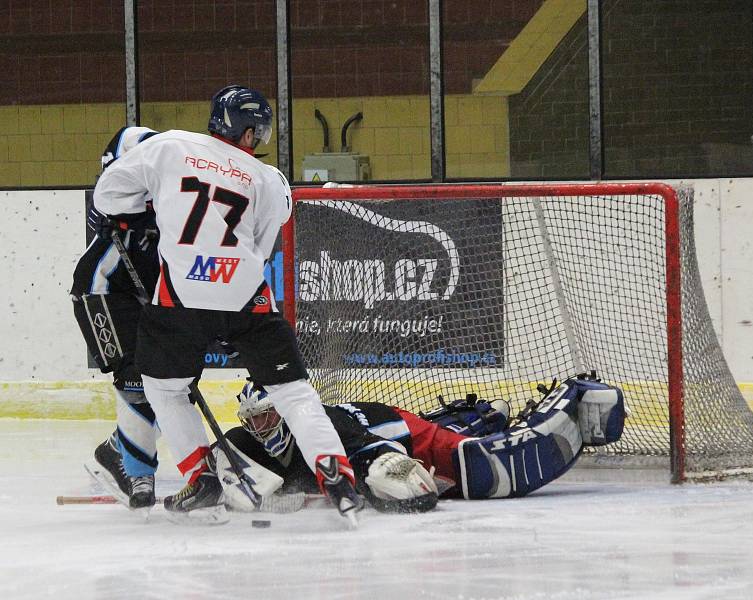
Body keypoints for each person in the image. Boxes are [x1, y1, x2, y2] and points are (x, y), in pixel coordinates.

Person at [91, 85, 362, 521]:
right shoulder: (267, 178)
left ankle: (200, 479)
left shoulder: (169, 145)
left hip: (182, 297)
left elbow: (107, 194)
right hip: (245, 295)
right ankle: (338, 477)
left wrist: (149, 209)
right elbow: (263, 238)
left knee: (163, 387)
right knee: (293, 392)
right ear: (250, 133)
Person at [223, 372, 626, 509]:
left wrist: (383, 484)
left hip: (402, 433)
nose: (260, 427)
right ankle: (476, 418)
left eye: (267, 415)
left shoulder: (323, 427)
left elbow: (390, 458)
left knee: (479, 467)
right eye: (253, 419)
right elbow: (229, 467)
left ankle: (571, 397)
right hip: (376, 419)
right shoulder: (247, 439)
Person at [70, 126, 162, 509]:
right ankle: (136, 471)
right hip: (100, 292)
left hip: (142, 298)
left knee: (169, 384)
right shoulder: (118, 204)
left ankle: (116, 448)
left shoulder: (172, 203)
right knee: (135, 378)